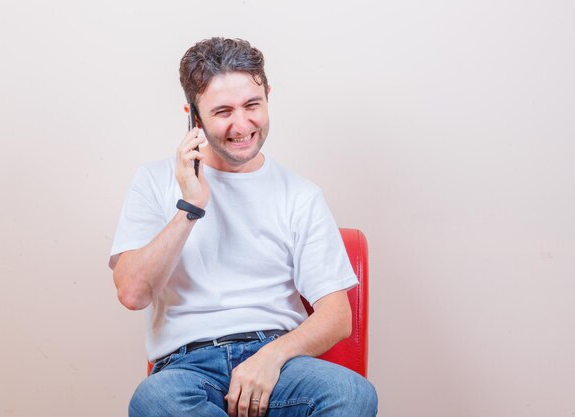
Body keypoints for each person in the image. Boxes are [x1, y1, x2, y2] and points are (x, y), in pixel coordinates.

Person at [109, 37, 378, 417]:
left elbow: (336, 316)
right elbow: (133, 293)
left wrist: (271, 357)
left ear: (268, 95)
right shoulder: (154, 181)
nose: (242, 124)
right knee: (154, 400)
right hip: (187, 369)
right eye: (223, 111)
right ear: (194, 116)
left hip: (280, 364)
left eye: (252, 105)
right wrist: (191, 206)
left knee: (351, 394)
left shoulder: (300, 195)